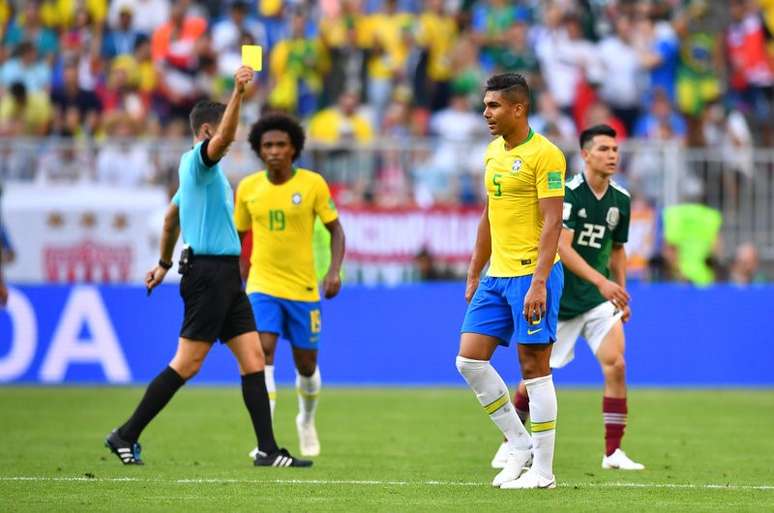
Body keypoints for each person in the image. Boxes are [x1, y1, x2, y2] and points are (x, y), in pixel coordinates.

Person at [105, 66, 311, 468]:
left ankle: (267, 450)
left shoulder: (197, 176)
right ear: (205, 133)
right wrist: (238, 92)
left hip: (224, 275)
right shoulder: (200, 163)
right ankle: (124, 434)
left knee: (252, 358)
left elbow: (170, 219)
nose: (229, 143)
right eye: (220, 134)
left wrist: (163, 264)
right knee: (187, 363)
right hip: (209, 275)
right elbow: (225, 138)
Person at [491, 124, 645, 472]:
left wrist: (619, 292)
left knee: (616, 365)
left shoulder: (621, 199)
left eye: (615, 150)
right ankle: (511, 442)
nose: (612, 156)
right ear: (586, 154)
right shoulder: (570, 193)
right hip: (561, 299)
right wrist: (602, 282)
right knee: (536, 375)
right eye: (604, 149)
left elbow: (618, 249)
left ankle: (612, 452)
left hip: (596, 302)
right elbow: (562, 246)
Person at [456, 73, 565, 490]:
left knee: (535, 370)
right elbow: (489, 213)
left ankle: (543, 472)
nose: (486, 113)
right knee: (468, 359)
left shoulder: (546, 155)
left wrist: (539, 281)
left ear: (518, 108)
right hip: (496, 276)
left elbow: (553, 220)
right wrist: (473, 269)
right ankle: (519, 444)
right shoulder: (492, 153)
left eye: (493, 106)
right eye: (485, 105)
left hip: (530, 275)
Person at [235, 113, 345, 458]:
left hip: (302, 290)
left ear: (293, 148)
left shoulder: (313, 184)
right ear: (258, 149)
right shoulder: (248, 188)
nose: (274, 151)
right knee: (262, 353)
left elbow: (336, 230)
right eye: (267, 145)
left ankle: (306, 420)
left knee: (306, 366)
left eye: (281, 144)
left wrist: (333, 271)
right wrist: (236, 279)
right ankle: (265, 442)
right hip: (262, 284)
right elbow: (237, 238)